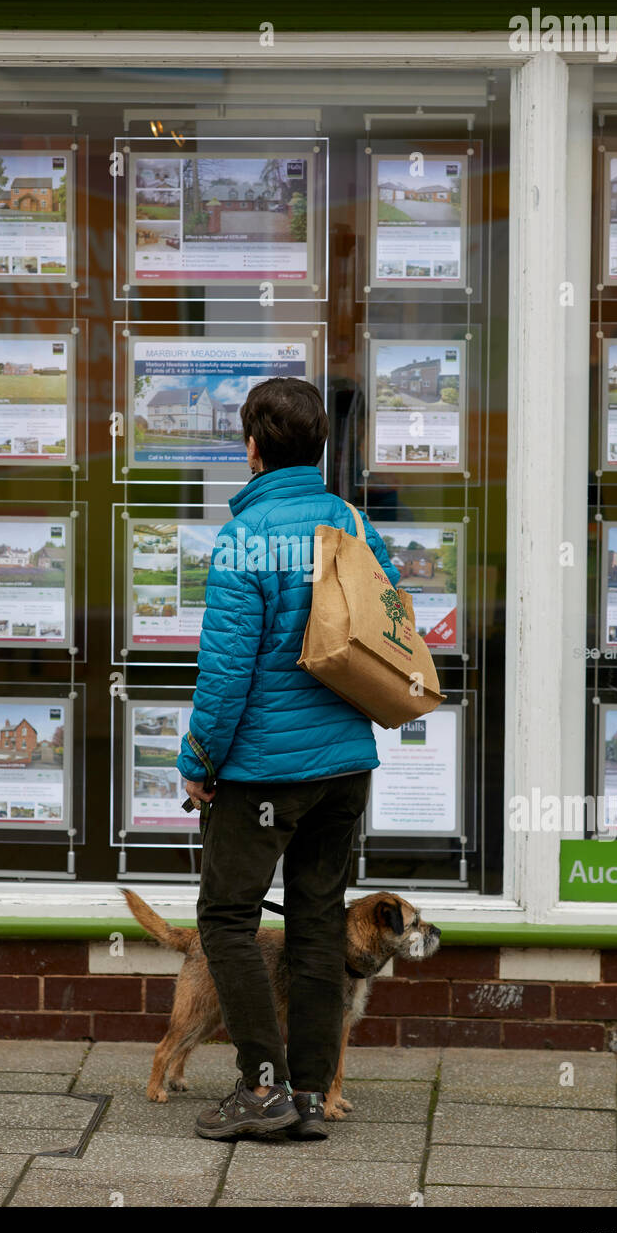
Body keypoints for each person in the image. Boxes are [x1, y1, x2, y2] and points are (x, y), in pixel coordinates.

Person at [176, 377, 402, 1141]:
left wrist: (199, 759)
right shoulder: (348, 521)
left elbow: (226, 672)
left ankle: (261, 1089)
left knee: (227, 918)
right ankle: (309, 1094)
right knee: (314, 922)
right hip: (343, 766)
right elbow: (388, 623)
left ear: (252, 448)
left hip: (263, 774)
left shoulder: (242, 539)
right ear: (319, 447)